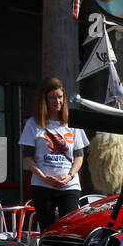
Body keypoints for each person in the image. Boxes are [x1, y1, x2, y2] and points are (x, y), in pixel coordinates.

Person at [20, 77, 87, 231]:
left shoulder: (73, 122)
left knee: (69, 229)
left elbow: (79, 156)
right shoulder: (33, 123)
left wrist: (69, 176)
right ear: (44, 99)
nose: (57, 101)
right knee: (47, 229)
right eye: (52, 98)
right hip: (43, 185)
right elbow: (28, 157)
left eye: (60, 97)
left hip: (69, 186)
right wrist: (43, 177)